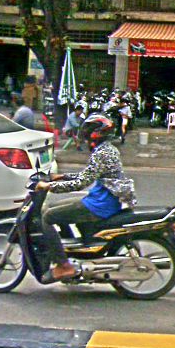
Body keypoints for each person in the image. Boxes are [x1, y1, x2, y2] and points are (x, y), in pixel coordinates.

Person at [39, 113, 136, 281]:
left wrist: (50, 187)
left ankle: (63, 265)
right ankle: (68, 252)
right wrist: (62, 176)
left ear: (96, 133)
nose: (84, 135)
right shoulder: (108, 149)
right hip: (101, 200)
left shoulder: (101, 153)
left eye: (88, 131)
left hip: (99, 205)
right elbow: (88, 174)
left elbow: (81, 183)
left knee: (48, 217)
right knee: (54, 209)